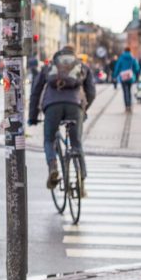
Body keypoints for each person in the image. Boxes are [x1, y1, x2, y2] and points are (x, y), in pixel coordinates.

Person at [29, 45, 96, 194]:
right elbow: (91, 91)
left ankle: (53, 166)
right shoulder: (81, 66)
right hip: (75, 106)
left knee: (49, 139)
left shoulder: (50, 66)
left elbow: (36, 91)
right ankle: (81, 180)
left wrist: (32, 117)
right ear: (74, 54)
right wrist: (84, 109)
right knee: (76, 142)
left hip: (52, 106)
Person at [114, 47, 140, 112]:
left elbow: (117, 67)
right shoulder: (132, 58)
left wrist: (115, 75)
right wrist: (134, 73)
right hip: (130, 77)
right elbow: (136, 68)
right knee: (129, 91)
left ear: (124, 51)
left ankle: (126, 106)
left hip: (123, 77)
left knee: (125, 92)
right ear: (130, 51)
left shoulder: (121, 58)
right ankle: (130, 105)